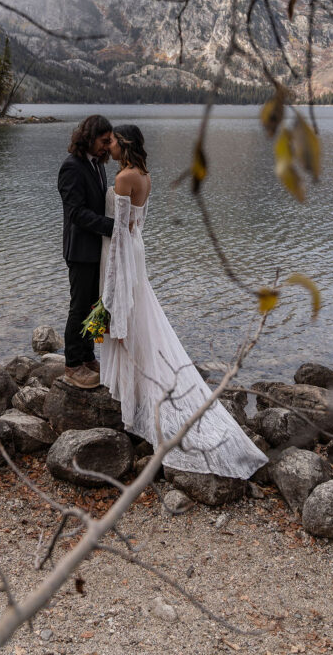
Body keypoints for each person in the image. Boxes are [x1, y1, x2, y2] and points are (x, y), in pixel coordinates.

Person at [100, 124, 267, 478]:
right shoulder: (144, 175)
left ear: (123, 143)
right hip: (137, 247)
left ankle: (139, 399)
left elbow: (119, 231)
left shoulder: (124, 178)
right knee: (143, 316)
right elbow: (136, 225)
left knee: (130, 316)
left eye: (111, 141)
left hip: (125, 252)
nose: (108, 145)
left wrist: (111, 287)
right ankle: (141, 391)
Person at [57, 114, 114, 389]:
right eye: (104, 141)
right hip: (80, 251)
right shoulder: (71, 167)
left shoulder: (97, 165)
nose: (107, 146)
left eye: (109, 141)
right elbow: (76, 213)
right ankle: (72, 364)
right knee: (79, 307)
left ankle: (88, 356)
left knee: (95, 306)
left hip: (97, 249)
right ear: (89, 138)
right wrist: (112, 227)